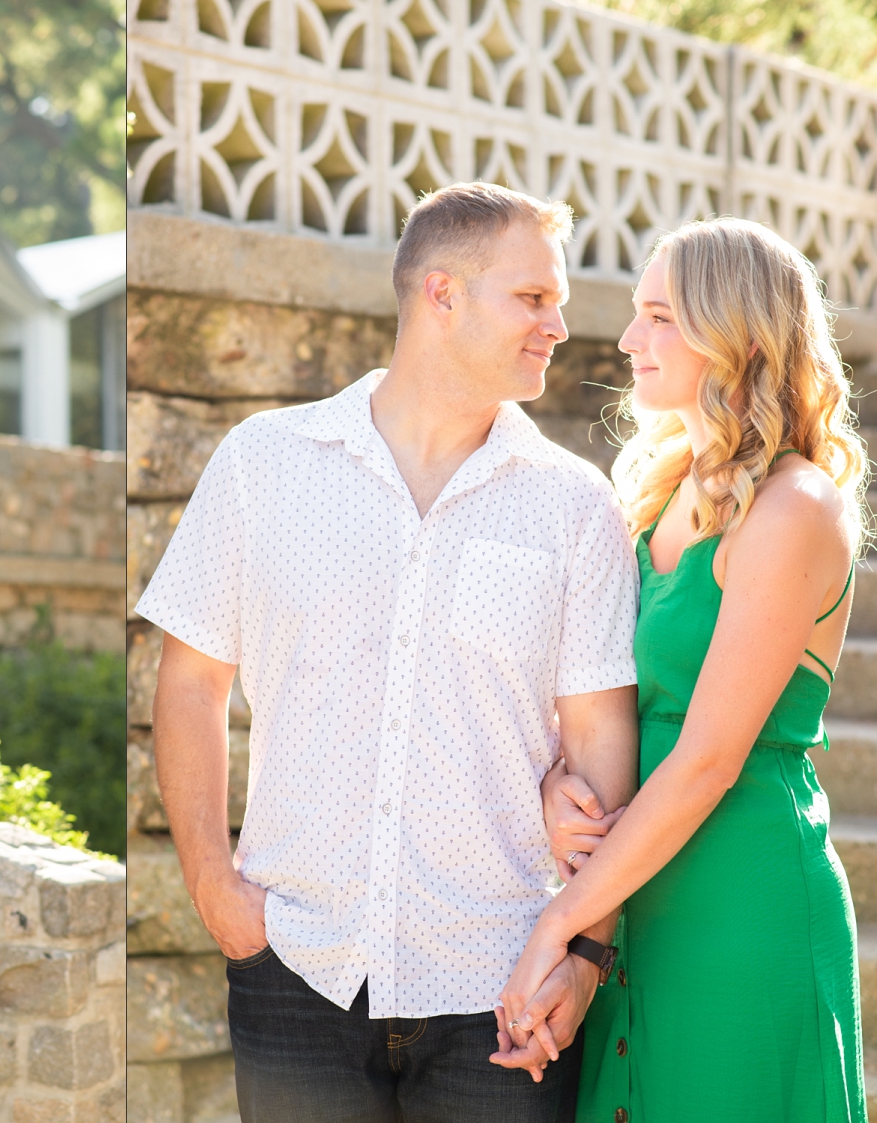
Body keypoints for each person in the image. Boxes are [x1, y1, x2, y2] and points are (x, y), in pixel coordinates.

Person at [135, 181, 642, 1122]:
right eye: (534, 298)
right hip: (296, 968)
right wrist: (212, 884)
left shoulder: (576, 505)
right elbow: (192, 682)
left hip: (502, 981)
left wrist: (583, 953)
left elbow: (603, 737)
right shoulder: (263, 462)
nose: (560, 325)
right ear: (441, 294)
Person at [494, 217, 868, 1121]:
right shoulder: (655, 494)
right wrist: (555, 778)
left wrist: (556, 917)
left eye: (658, 316)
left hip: (740, 901)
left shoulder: (795, 505)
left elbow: (704, 758)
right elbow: (599, 696)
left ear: (732, 332)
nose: (628, 341)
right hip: (629, 899)